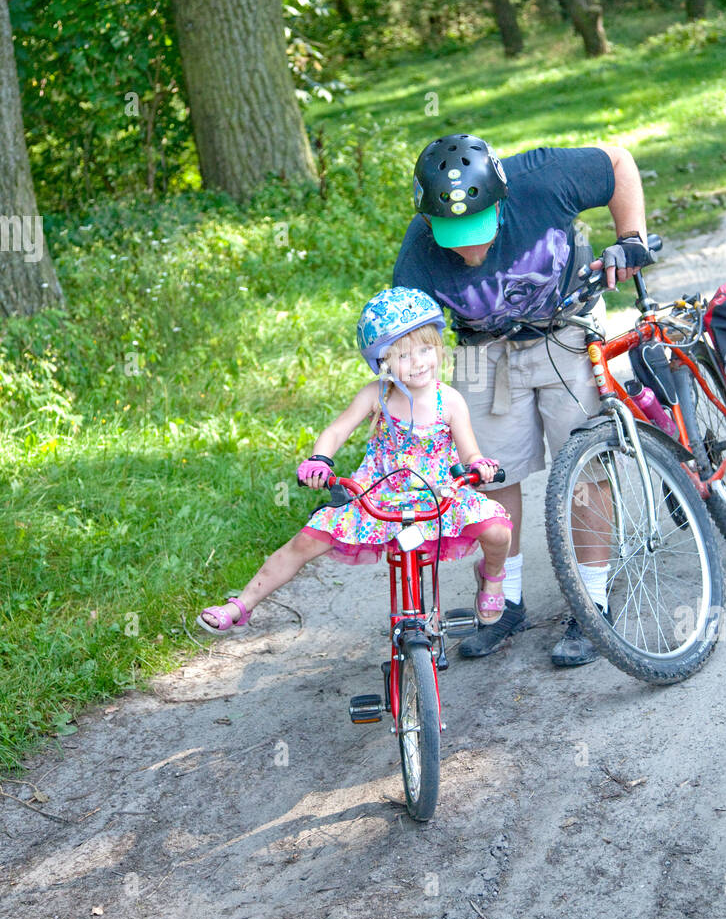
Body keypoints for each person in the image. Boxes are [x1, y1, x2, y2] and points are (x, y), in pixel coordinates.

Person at [393, 132, 653, 666]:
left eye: (477, 232)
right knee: (491, 474)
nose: (467, 250)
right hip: (480, 349)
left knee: (584, 470)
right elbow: (408, 339)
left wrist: (630, 238)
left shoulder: (541, 179)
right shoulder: (418, 251)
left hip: (566, 329)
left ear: (501, 200)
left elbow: (619, 163)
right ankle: (504, 603)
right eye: (452, 236)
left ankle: (593, 601)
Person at [196, 288, 512, 635]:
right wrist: (320, 460)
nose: (419, 362)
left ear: (438, 348)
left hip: (438, 495)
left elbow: (469, 451)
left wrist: (478, 466)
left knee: (496, 530)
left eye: (426, 349)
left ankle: (492, 576)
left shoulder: (449, 401)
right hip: (375, 494)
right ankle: (241, 605)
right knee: (305, 541)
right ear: (383, 361)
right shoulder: (375, 395)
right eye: (404, 355)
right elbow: (335, 431)